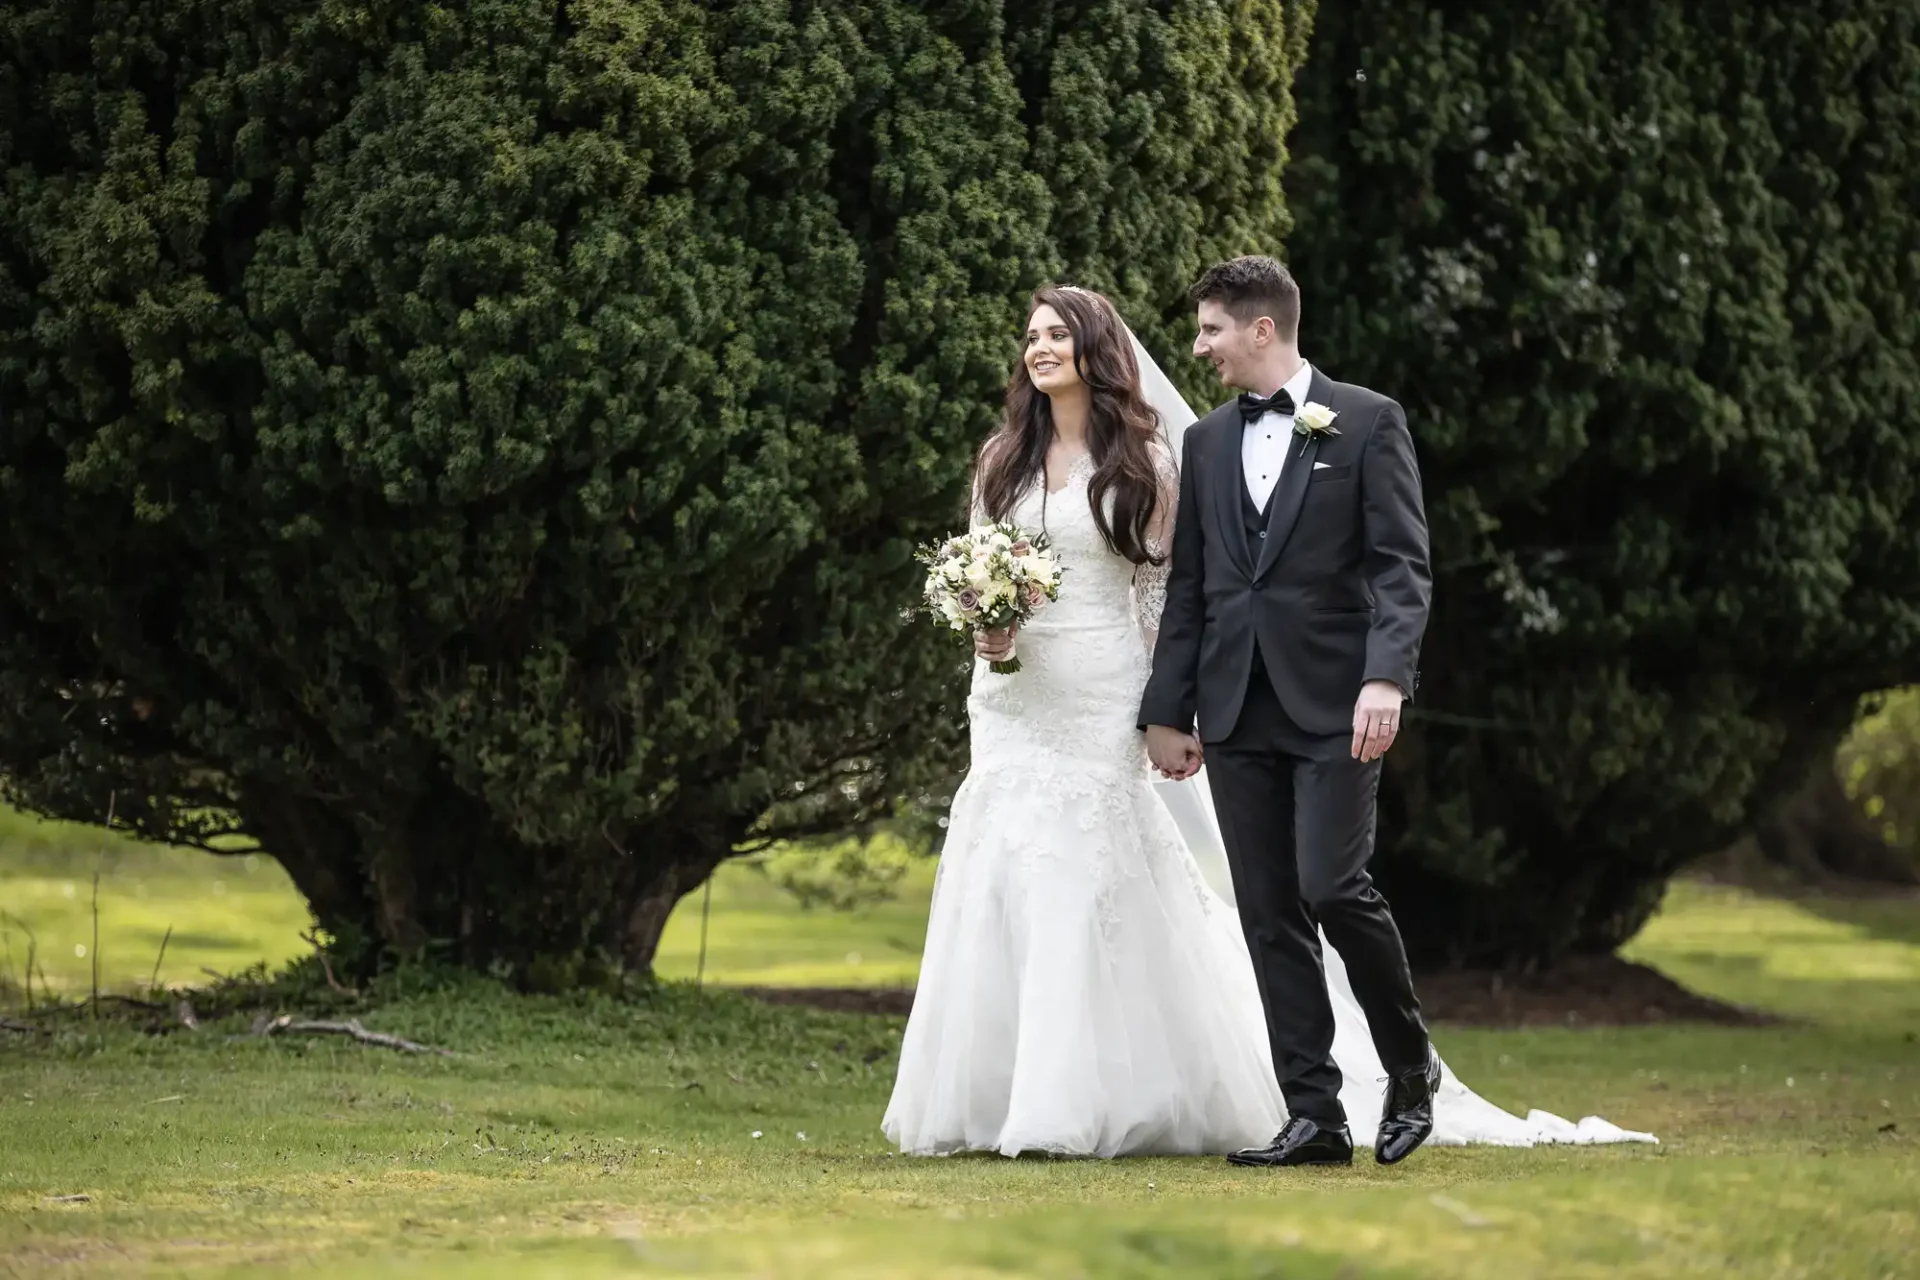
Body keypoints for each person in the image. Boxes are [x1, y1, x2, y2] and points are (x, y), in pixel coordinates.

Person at [881, 277, 1654, 1161]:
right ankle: (1314, 1116)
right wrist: (1168, 706)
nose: (1199, 347)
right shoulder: (1203, 442)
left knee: (1331, 887)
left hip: (1331, 699)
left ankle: (1408, 1062)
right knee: (1265, 912)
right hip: (1219, 704)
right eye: (1033, 334)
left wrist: (1386, 679)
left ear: (1259, 327)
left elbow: (1400, 567)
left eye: (1210, 331)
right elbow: (1197, 591)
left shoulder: (1364, 422)